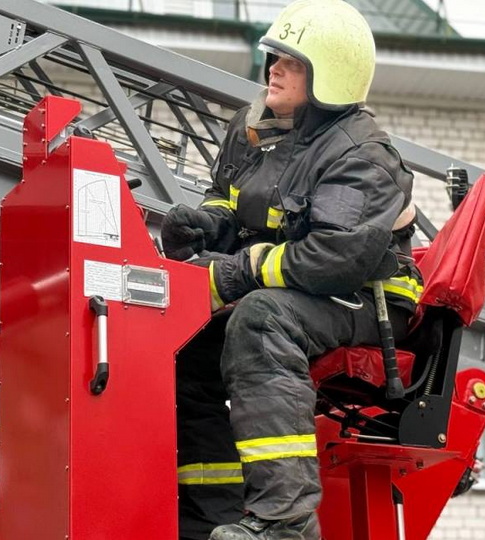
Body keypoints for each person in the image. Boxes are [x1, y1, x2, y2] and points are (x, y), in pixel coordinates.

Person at [163, 1, 422, 538]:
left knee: (262, 320)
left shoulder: (362, 154)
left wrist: (236, 274)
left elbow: (333, 259)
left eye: (292, 61)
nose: (274, 69)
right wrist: (208, 226)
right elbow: (227, 196)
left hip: (369, 302)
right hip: (303, 289)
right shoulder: (253, 128)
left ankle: (285, 522)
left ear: (331, 75)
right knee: (186, 342)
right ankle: (208, 518)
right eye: (274, 56)